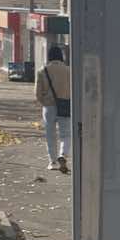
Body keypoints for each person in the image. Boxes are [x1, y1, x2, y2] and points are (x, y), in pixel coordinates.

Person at [35, 45, 72, 173]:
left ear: (49, 56)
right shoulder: (69, 71)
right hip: (65, 105)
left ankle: (52, 162)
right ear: (61, 56)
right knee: (66, 134)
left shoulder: (42, 71)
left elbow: (38, 93)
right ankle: (63, 155)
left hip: (49, 107)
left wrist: (45, 102)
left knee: (50, 134)